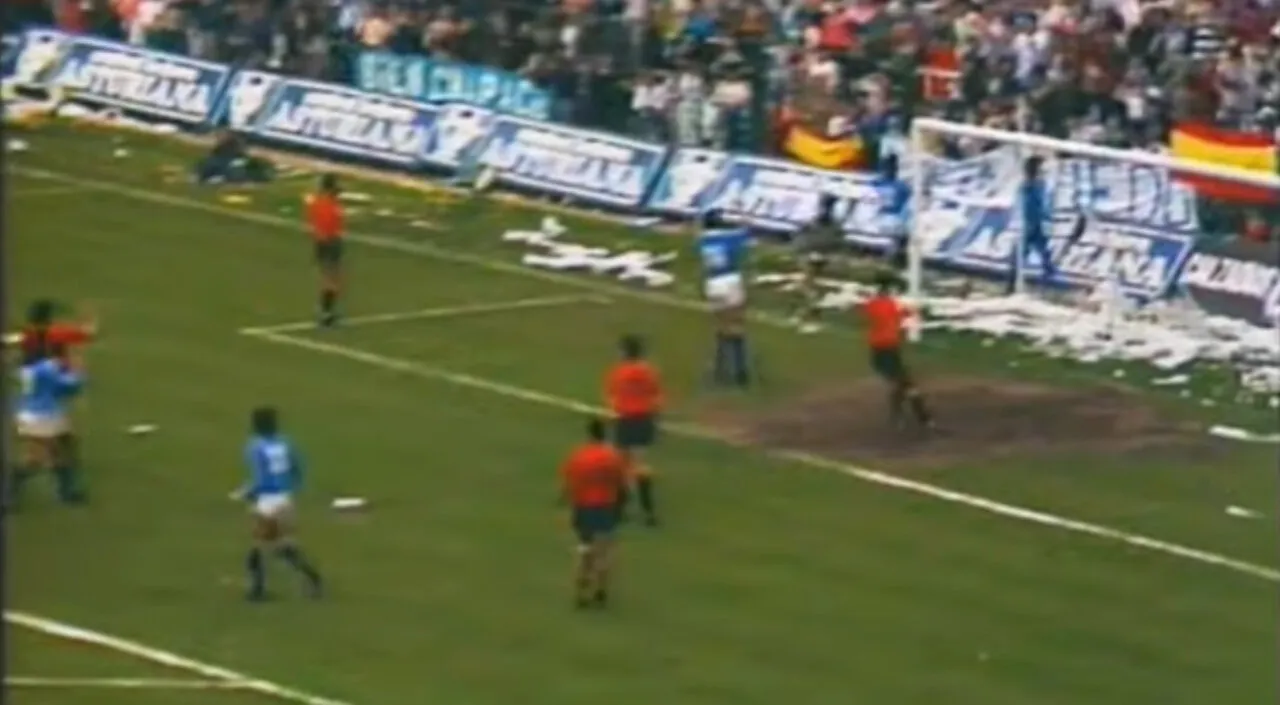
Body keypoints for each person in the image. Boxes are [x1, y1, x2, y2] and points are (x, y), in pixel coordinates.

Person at [233, 406, 323, 602]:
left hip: (268, 501)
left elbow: (261, 477)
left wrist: (248, 492)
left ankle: (258, 592)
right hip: (285, 499)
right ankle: (312, 580)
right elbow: (299, 467)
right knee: (280, 546)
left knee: (260, 548)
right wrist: (295, 487)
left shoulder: (255, 447)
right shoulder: (287, 443)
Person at [18, 299, 96, 482]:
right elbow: (88, 334)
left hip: (32, 402)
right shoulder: (54, 339)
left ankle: (68, 482)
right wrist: (89, 318)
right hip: (46, 407)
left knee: (62, 441)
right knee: (40, 456)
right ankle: (64, 482)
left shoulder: (28, 339)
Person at [560, 416, 628, 609]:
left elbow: (568, 484)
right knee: (604, 551)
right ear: (604, 435)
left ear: (589, 434)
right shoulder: (612, 457)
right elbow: (622, 484)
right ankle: (600, 591)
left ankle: (580, 592)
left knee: (584, 549)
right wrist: (621, 506)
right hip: (606, 507)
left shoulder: (578, 456)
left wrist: (569, 504)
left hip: (583, 508)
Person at [12, 341, 86, 506]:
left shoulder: (38, 368)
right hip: (42, 416)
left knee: (66, 446)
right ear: (62, 355)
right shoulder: (50, 370)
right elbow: (68, 387)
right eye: (71, 355)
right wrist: (78, 372)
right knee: (35, 458)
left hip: (37, 413)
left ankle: (67, 492)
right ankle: (8, 493)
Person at [861, 273, 934, 433]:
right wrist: (915, 311)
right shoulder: (892, 305)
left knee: (902, 384)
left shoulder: (873, 304)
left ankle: (908, 417)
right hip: (887, 350)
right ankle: (922, 418)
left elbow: (871, 311)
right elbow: (909, 313)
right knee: (906, 385)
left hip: (882, 351)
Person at [604, 335, 663, 526]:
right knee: (640, 464)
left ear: (625, 352)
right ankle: (648, 511)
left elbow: (612, 398)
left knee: (622, 464)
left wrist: (613, 416)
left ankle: (620, 508)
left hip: (626, 419)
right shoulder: (649, 372)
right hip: (645, 419)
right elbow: (657, 397)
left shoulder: (618, 373)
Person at [698, 209, 752, 387]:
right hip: (730, 281)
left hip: (712, 284)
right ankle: (740, 371)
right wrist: (744, 218)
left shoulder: (703, 240)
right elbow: (745, 233)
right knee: (737, 326)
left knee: (721, 327)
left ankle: (720, 370)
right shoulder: (727, 237)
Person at [791, 193, 843, 333]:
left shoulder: (821, 219)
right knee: (810, 284)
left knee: (806, 285)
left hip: (812, 254)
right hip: (822, 254)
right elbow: (838, 239)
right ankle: (805, 312)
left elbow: (809, 232)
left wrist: (802, 243)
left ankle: (813, 313)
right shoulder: (832, 222)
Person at [1009, 156, 1059, 294]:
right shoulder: (1028, 185)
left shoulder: (1040, 184)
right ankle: (1013, 283)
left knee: (1043, 250)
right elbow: (1026, 204)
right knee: (1023, 252)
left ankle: (1048, 280)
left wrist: (1046, 218)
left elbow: (1044, 205)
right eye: (1041, 170)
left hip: (1038, 222)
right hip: (1030, 222)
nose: (1044, 172)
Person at [307, 174, 346, 327]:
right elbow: (332, 222)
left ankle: (326, 310)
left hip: (323, 241)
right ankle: (326, 312)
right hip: (330, 241)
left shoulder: (318, 202)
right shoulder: (330, 204)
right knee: (332, 278)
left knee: (329, 277)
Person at [872, 154, 911, 271]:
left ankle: (891, 259)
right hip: (886, 218)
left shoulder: (877, 184)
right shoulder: (900, 186)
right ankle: (892, 260)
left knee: (899, 232)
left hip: (885, 218)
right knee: (901, 233)